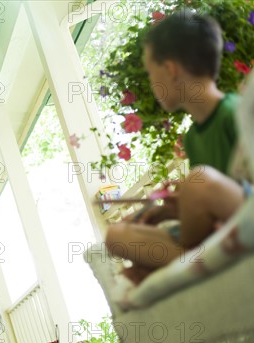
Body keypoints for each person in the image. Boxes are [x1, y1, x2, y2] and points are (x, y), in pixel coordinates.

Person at [105, 10, 246, 284]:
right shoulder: (193, 138)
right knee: (117, 235)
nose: (150, 82)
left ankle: (174, 266)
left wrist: (196, 191)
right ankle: (192, 262)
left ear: (169, 69)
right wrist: (171, 210)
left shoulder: (235, 113)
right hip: (212, 237)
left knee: (199, 181)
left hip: (249, 217)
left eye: (150, 72)